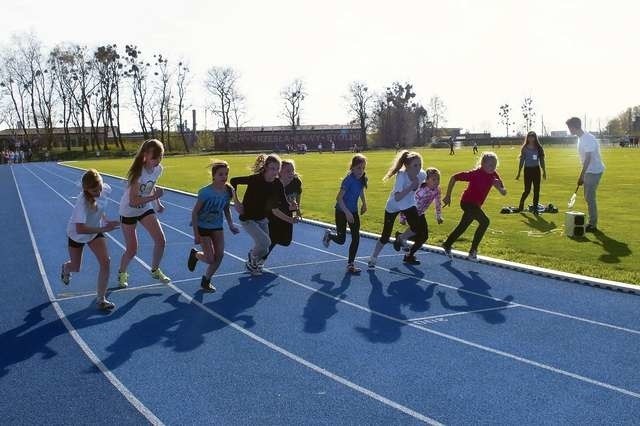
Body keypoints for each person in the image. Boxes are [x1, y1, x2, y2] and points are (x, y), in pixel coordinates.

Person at [61, 169, 120, 310]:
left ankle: (101, 299)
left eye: (99, 188)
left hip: (94, 232)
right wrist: (105, 229)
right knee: (76, 267)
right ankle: (65, 268)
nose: (98, 193)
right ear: (86, 190)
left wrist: (105, 220)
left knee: (106, 262)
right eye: (94, 191)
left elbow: (100, 208)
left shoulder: (104, 189)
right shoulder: (81, 203)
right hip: (77, 235)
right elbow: (80, 229)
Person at [230, 154, 298, 275]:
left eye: (277, 169)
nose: (275, 172)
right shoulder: (255, 179)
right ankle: (251, 258)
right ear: (266, 167)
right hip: (248, 218)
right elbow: (233, 181)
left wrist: (291, 206)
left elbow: (283, 201)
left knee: (265, 248)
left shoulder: (277, 183)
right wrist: (236, 202)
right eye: (272, 168)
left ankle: (253, 264)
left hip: (262, 219)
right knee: (265, 242)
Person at [117, 139, 171, 288]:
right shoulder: (137, 173)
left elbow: (151, 185)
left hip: (145, 208)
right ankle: (122, 272)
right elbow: (133, 201)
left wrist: (157, 204)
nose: (158, 160)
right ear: (145, 155)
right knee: (132, 249)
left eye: (161, 157)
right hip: (128, 211)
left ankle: (155, 270)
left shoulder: (158, 169)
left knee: (161, 240)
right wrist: (155, 197)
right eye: (155, 157)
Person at [442, 152, 507, 261]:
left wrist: (499, 188)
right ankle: (473, 251)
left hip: (476, 205)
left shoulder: (494, 175)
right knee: (485, 221)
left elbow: (504, 192)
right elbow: (454, 177)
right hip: (467, 202)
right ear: (482, 164)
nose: (493, 168)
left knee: (463, 226)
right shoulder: (475, 174)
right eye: (490, 165)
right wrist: (448, 196)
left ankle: (447, 244)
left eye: (494, 165)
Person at [367, 150, 428, 268]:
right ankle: (373, 257)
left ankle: (401, 238)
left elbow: (423, 185)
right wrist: (411, 186)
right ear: (407, 166)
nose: (418, 168)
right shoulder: (401, 175)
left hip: (409, 203)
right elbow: (398, 197)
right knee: (385, 236)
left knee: (416, 228)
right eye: (415, 165)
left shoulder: (422, 174)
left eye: (420, 165)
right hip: (394, 205)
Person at [188, 160, 240, 292]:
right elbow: (195, 213)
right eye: (221, 174)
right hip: (203, 226)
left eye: (226, 174)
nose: (224, 177)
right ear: (214, 176)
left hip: (217, 226)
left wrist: (230, 224)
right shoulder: (205, 192)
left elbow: (226, 208)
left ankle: (206, 280)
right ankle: (196, 255)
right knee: (210, 259)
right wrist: (196, 234)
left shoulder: (228, 191)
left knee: (220, 255)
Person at [322, 154, 368, 274]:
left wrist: (364, 203)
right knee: (341, 240)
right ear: (352, 168)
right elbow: (339, 198)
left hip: (353, 212)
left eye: (363, 168)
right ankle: (330, 235)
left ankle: (350, 264)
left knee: (356, 237)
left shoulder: (362, 179)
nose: (361, 171)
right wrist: (347, 212)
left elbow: (361, 191)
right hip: (341, 211)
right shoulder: (348, 180)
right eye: (358, 168)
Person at [566, 117, 605, 232]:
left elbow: (588, 158)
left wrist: (581, 175)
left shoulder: (587, 138)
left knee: (590, 198)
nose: (569, 130)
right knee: (588, 197)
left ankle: (592, 224)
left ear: (574, 127)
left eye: (569, 128)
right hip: (590, 170)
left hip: (594, 171)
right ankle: (592, 222)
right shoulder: (581, 138)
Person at [262, 159, 303, 262]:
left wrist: (297, 210)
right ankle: (258, 260)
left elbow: (297, 196)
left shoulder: (296, 182)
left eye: (292, 170)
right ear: (279, 172)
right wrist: (290, 219)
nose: (291, 173)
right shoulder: (274, 186)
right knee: (273, 238)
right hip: (272, 213)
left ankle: (259, 251)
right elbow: (275, 211)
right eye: (287, 171)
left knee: (286, 241)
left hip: (286, 211)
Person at [397, 167, 443, 250]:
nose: (437, 182)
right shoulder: (421, 191)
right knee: (416, 229)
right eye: (434, 179)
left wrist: (438, 216)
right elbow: (408, 202)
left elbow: (438, 203)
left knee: (424, 236)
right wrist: (402, 217)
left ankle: (401, 237)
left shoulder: (437, 190)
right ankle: (403, 239)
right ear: (426, 180)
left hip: (421, 213)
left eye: (438, 179)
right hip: (411, 212)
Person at [515, 131, 547, 214]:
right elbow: (522, 161)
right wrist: (519, 173)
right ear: (527, 137)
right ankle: (520, 206)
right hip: (527, 170)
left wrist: (544, 171)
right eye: (529, 136)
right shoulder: (524, 148)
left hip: (536, 170)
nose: (531, 138)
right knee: (527, 190)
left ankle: (535, 208)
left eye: (533, 136)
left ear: (535, 137)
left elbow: (542, 160)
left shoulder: (539, 148)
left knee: (537, 190)